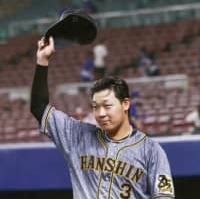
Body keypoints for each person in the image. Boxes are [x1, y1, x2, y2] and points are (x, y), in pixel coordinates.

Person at [30, 36, 175, 199]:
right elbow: (39, 108)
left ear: (125, 104)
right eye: (95, 107)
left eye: (107, 106)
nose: (100, 113)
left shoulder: (151, 151)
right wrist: (42, 61)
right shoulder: (77, 137)